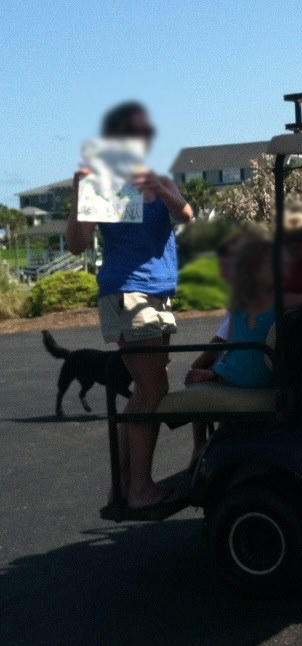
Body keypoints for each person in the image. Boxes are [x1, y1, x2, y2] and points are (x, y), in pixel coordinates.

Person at [67, 101, 193, 511]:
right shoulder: (103, 183)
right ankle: (138, 490)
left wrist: (163, 192)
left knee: (146, 388)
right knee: (153, 387)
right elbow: (76, 245)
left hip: (155, 293)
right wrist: (78, 195)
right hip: (129, 293)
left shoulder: (156, 179)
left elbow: (188, 215)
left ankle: (125, 488)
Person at [185, 239, 278, 389]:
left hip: (246, 377)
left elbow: (226, 342)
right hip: (273, 374)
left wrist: (204, 368)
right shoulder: (286, 297)